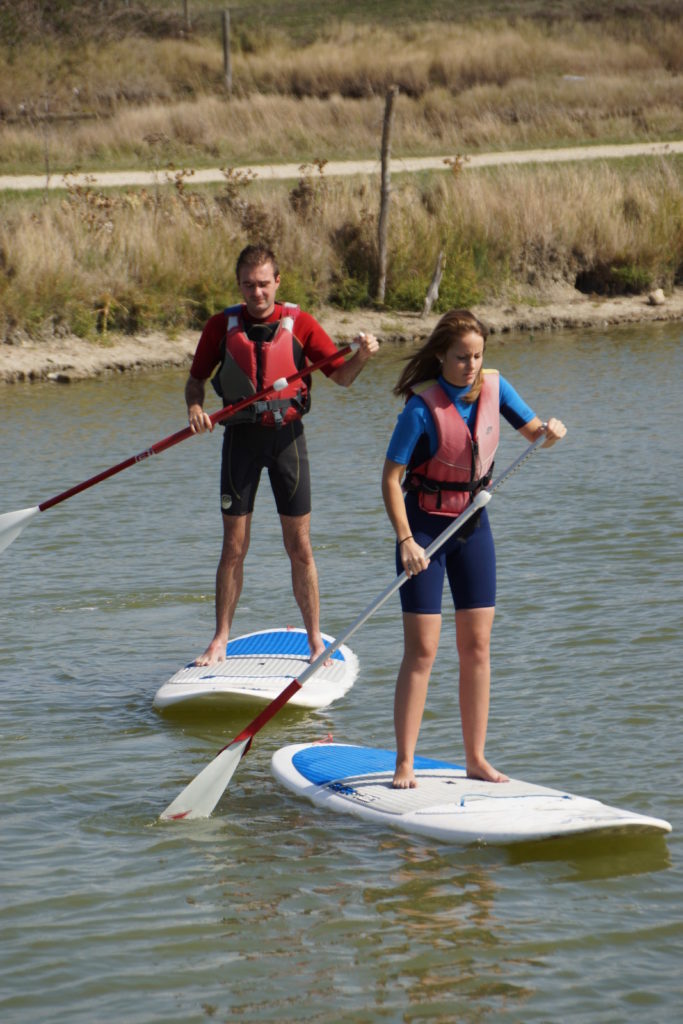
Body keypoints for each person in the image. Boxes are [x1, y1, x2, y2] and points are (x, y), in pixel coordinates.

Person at [381, 309, 566, 788]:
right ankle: (405, 762)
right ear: (441, 354)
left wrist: (550, 433)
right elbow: (390, 478)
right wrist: (405, 541)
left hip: (473, 528)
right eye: (462, 357)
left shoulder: (494, 388)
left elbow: (534, 435)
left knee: (477, 647)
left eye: (478, 356)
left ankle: (476, 759)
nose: (471, 365)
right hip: (424, 531)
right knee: (422, 651)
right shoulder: (421, 408)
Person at [186, 243, 379, 667]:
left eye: (263, 285)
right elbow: (196, 380)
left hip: (287, 442)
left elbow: (342, 378)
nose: (256, 293)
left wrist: (362, 357)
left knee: (300, 547)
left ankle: (313, 641)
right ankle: (220, 639)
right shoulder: (221, 326)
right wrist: (196, 409)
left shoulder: (302, 323)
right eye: (248, 285)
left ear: (278, 282)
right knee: (233, 548)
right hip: (241, 443)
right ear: (239, 285)